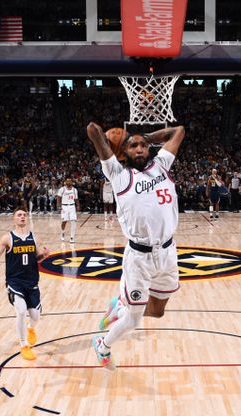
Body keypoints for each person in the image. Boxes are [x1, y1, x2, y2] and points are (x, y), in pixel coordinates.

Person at [86, 121, 185, 369]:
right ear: (124, 152)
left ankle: (119, 305)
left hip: (168, 252)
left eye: (143, 146)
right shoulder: (118, 174)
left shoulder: (162, 164)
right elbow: (92, 130)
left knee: (158, 311)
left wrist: (147, 137)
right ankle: (103, 345)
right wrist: (118, 139)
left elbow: (179, 131)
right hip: (139, 257)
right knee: (134, 319)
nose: (140, 148)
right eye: (133, 146)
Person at [0, 208, 49, 361]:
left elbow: (37, 259)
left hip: (32, 281)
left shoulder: (35, 238)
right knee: (20, 311)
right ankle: (23, 345)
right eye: (19, 215)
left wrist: (44, 256)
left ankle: (30, 328)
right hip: (15, 281)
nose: (22, 217)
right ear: (14, 219)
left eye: (24, 215)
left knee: (35, 315)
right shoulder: (7, 238)